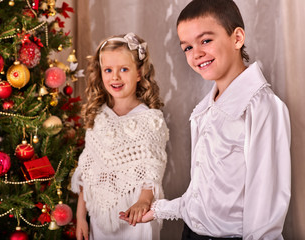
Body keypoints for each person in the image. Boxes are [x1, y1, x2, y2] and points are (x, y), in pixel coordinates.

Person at [119, 1, 291, 239]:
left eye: (206, 40)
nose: (196, 53)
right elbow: (205, 197)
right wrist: (158, 209)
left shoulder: (262, 108)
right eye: (187, 47)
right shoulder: (205, 110)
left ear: (237, 37)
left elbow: (265, 210)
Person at [71, 32, 169, 240]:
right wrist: (81, 217)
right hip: (100, 214)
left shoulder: (149, 119)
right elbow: (88, 172)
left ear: (139, 73)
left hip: (134, 215)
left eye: (124, 69)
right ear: (101, 73)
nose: (115, 77)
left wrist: (144, 201)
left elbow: (153, 169)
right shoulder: (98, 117)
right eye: (108, 70)